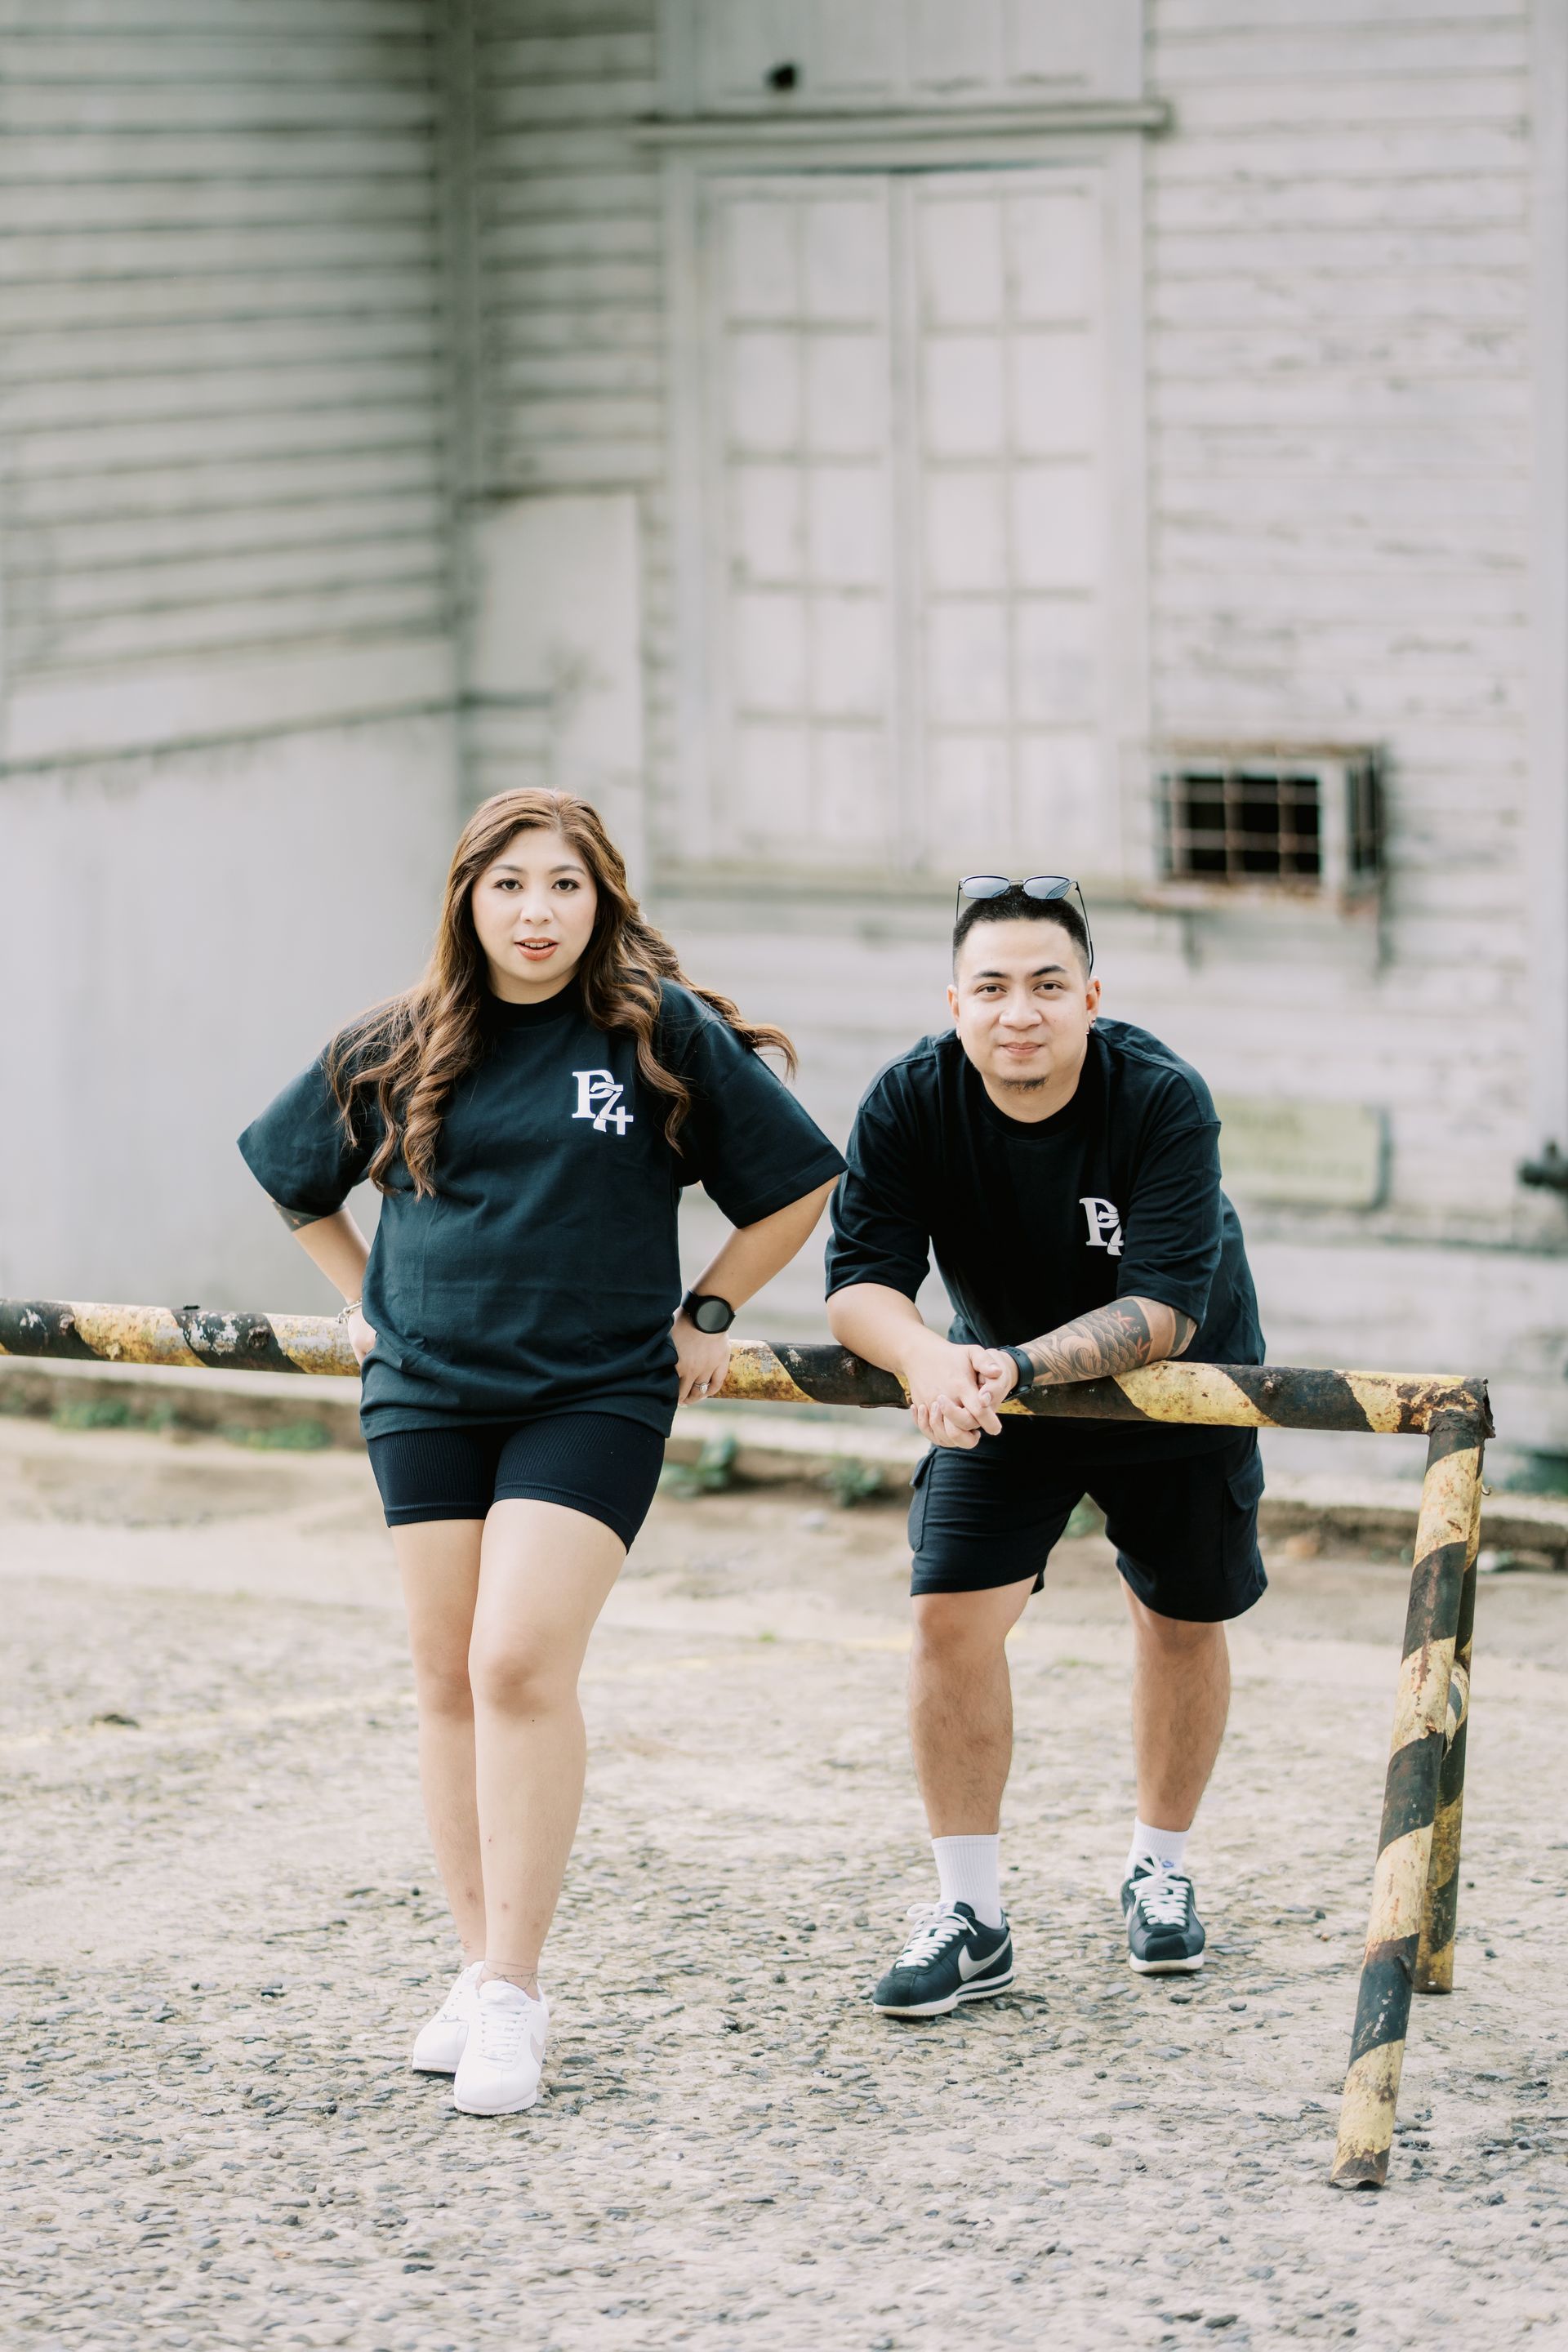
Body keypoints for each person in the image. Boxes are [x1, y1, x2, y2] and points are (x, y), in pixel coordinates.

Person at [238, 788, 844, 2114]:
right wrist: (364, 1299)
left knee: (516, 1662)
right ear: (467, 897)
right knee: (447, 1677)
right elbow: (292, 1178)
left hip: (594, 1393)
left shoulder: (654, 1034)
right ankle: (473, 1969)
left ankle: (516, 1990)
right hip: (424, 1393)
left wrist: (710, 1312)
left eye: (564, 885)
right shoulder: (396, 1041)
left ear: (601, 900)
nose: (536, 911)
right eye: (509, 883)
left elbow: (798, 1181)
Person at [824, 875, 1266, 2016]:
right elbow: (860, 1283)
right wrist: (928, 1360)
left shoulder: (1160, 1096)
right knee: (948, 1618)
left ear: (1090, 998)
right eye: (991, 988)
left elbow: (1162, 1310)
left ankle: (1159, 1871)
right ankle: (971, 1915)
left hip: (1173, 1387)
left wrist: (1011, 1365)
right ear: (955, 1003)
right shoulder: (911, 1099)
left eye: (1047, 986)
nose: (1018, 1012)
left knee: (1179, 1619)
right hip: (995, 1387)